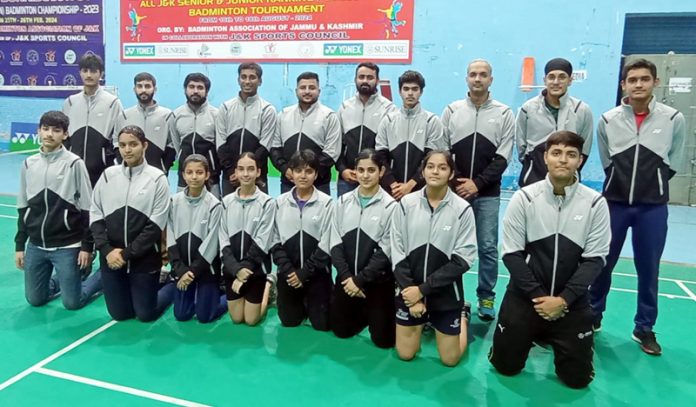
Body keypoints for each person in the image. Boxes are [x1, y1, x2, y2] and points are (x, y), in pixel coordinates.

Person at [489, 131, 611, 389]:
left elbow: (595, 260)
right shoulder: (524, 198)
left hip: (571, 303)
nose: (563, 160)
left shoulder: (594, 204)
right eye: (556, 153)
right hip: (524, 299)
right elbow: (511, 254)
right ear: (545, 157)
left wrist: (563, 300)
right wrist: (539, 298)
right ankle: (531, 334)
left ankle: (550, 335)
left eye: (571, 154)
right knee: (505, 367)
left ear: (580, 160)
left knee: (577, 381)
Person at [590, 58, 686, 356]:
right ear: (624, 85)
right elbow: (607, 160)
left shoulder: (673, 119)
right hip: (615, 205)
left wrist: (653, 183)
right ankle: (593, 315)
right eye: (633, 80)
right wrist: (618, 183)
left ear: (655, 82)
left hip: (652, 208)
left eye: (645, 79)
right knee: (601, 263)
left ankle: (644, 327)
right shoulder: (608, 119)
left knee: (649, 268)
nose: (639, 84)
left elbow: (675, 160)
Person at [441, 59, 515, 321]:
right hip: (455, 193)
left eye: (483, 75)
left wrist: (477, 184)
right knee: (450, 246)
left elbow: (503, 157)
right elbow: (444, 154)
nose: (477, 79)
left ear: (491, 80)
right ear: (466, 78)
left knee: (486, 247)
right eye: (473, 74)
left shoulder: (505, 114)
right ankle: (450, 294)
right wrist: (459, 183)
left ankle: (486, 295)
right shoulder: (452, 110)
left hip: (487, 195)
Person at [391, 150, 477, 367]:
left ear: (451, 174)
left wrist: (423, 290)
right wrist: (412, 292)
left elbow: (463, 259)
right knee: (405, 354)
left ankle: (463, 316)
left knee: (450, 359)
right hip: (409, 291)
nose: (435, 171)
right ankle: (421, 320)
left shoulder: (462, 209)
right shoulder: (406, 204)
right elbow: (397, 250)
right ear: (423, 171)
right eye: (430, 166)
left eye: (442, 167)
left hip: (445, 293)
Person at [15, 110, 102, 309]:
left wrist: (87, 247)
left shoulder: (74, 164)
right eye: (45, 129)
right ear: (38, 131)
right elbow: (23, 205)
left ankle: (99, 278)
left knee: (73, 303)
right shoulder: (28, 164)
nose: (49, 134)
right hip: (37, 245)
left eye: (56, 130)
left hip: (67, 245)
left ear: (65, 134)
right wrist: (20, 245)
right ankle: (61, 280)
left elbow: (87, 208)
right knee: (35, 299)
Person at [90, 125, 175, 321]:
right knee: (121, 314)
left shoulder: (157, 179)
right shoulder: (107, 176)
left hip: (143, 260)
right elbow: (95, 215)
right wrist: (107, 250)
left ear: (144, 146)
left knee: (145, 314)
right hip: (111, 258)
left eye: (133, 144)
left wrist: (126, 254)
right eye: (122, 145)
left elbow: (155, 225)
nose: (127, 149)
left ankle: (170, 286)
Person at [330, 148, 396, 348]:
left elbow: (385, 252)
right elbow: (334, 243)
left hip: (376, 282)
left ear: (381, 172)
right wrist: (346, 278)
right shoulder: (342, 202)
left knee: (384, 341)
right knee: (341, 332)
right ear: (355, 172)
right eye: (361, 170)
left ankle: (374, 312)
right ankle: (362, 310)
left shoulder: (391, 207)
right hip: (347, 278)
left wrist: (359, 280)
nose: (365, 175)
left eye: (371, 170)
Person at [272, 149, 334, 331]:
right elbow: (274, 240)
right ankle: (275, 286)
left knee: (322, 325)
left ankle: (317, 298)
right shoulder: (279, 203)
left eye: (308, 171)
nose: (303, 176)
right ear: (291, 173)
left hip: (316, 274)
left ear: (316, 174)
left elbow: (327, 243)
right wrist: (289, 271)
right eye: (298, 171)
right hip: (289, 274)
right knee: (289, 321)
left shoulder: (327, 204)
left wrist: (304, 273)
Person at [515, 58, 593, 187]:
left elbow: (584, 149)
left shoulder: (582, 110)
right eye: (551, 77)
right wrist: (533, 165)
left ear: (570, 80)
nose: (556, 82)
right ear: (545, 80)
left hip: (568, 182)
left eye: (562, 77)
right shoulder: (528, 109)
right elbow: (521, 146)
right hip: (533, 180)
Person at [168, 154, 226, 323]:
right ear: (183, 175)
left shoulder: (214, 205)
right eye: (190, 172)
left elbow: (211, 244)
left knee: (204, 316)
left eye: (199, 172)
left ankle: (229, 296)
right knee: (182, 315)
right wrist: (179, 269)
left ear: (207, 175)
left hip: (205, 269)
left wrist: (192, 272)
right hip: (182, 269)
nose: (194, 177)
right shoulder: (174, 202)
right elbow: (170, 236)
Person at [220, 152, 276, 326]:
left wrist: (244, 271)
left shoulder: (267, 203)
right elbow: (223, 239)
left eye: (250, 169)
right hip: (232, 268)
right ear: (235, 172)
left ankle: (269, 284)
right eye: (241, 169)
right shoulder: (226, 202)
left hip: (255, 269)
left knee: (251, 320)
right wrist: (236, 270)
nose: (246, 174)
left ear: (258, 172)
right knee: (237, 319)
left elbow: (262, 241)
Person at [376, 70, 446, 200]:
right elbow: (380, 158)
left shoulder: (431, 121)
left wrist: (410, 185)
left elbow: (431, 161)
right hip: (392, 191)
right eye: (406, 89)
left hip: (422, 191)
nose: (410, 93)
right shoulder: (388, 120)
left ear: (421, 92)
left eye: (415, 89)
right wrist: (392, 184)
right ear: (400, 91)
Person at [270, 72, 341, 195]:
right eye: (303, 88)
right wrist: (285, 169)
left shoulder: (329, 116)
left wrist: (309, 174)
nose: (307, 91)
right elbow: (275, 148)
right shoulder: (283, 115)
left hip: (319, 184)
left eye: (312, 88)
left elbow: (332, 152)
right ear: (296, 90)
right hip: (288, 182)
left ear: (319, 91)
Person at [62, 53, 124, 187]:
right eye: (85, 71)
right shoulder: (70, 102)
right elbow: (64, 136)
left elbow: (118, 136)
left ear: (101, 74)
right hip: (73, 169)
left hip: (101, 171)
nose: (89, 75)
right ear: (80, 73)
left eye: (93, 71)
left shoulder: (113, 103)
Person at [335, 62, 396, 196]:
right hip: (347, 179)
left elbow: (389, 149)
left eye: (370, 78)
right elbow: (336, 145)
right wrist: (343, 170)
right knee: (345, 216)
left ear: (377, 81)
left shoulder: (389, 109)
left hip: (376, 180)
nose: (365, 81)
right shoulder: (344, 108)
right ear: (355, 79)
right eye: (361, 77)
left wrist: (381, 174)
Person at [216, 63, 277, 196]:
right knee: (229, 215)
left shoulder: (267, 110)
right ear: (238, 80)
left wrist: (249, 172)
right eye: (243, 77)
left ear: (260, 81)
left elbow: (265, 146)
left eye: (252, 77)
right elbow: (220, 143)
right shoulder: (225, 108)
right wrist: (233, 171)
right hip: (230, 176)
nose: (247, 81)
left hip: (257, 177)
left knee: (259, 216)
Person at [115, 72, 176, 174]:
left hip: (157, 175)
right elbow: (116, 143)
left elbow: (172, 144)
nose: (143, 90)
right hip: (129, 174)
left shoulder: (167, 115)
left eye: (147, 86)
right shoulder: (124, 116)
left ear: (155, 89)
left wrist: (164, 167)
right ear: (134, 89)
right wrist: (123, 164)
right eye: (139, 86)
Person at [172, 73, 221, 196]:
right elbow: (176, 145)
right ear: (185, 89)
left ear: (207, 91)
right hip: (185, 176)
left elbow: (221, 146)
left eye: (200, 88)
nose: (195, 91)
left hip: (211, 177)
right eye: (191, 87)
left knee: (212, 212)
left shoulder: (217, 115)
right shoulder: (176, 115)